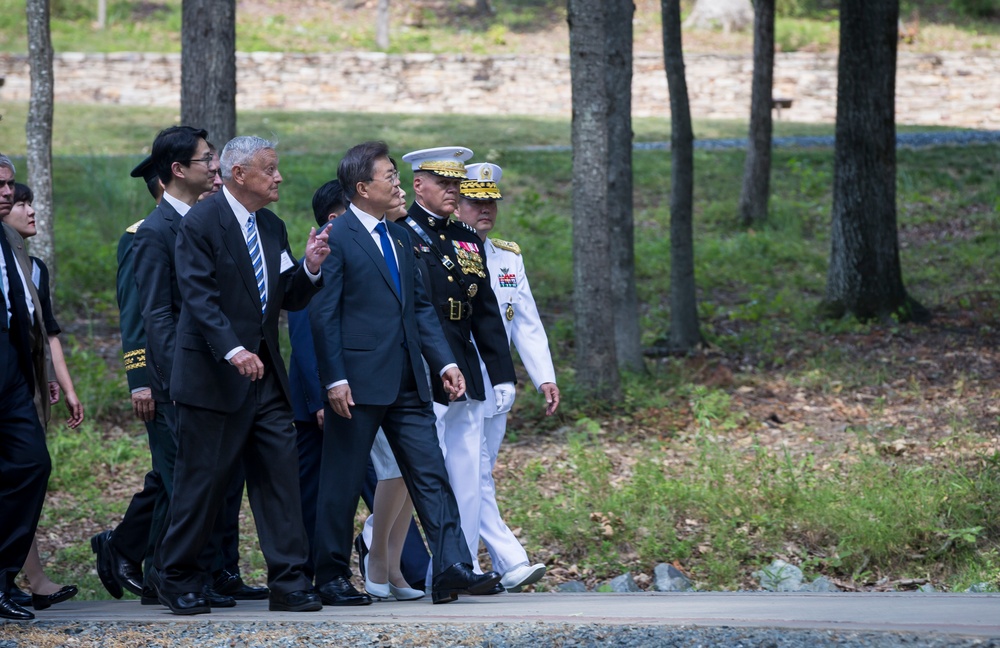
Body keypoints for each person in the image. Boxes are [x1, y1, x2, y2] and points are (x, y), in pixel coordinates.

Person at [308, 140, 501, 606]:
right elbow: (323, 315)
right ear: (362, 187)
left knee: (430, 473)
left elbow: (420, 310)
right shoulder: (338, 237)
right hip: (356, 384)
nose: (396, 183)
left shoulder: (400, 236)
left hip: (408, 381)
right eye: (388, 176)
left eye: (396, 175)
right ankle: (330, 576)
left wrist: (446, 363)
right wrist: (334, 379)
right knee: (342, 480)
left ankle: (453, 565)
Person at [155, 135, 328, 615]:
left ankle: (290, 582)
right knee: (201, 484)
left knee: (279, 478)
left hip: (266, 380)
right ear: (238, 174)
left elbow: (286, 294)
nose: (278, 177)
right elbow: (197, 296)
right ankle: (177, 577)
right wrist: (232, 350)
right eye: (269, 169)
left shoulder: (271, 226)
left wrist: (310, 269)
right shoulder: (201, 224)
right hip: (212, 377)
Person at [132, 126, 264, 606]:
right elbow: (156, 315)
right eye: (207, 159)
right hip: (184, 380)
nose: (215, 167)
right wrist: (164, 381)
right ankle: (168, 576)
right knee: (189, 483)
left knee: (224, 480)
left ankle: (216, 570)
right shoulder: (153, 232)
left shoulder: (214, 220)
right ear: (178, 170)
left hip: (226, 372)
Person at [398, 147, 517, 585]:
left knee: (468, 472)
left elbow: (485, 312)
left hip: (464, 365)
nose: (453, 191)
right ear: (419, 185)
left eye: (456, 184)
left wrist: (502, 373)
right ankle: (379, 546)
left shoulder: (466, 240)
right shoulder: (399, 233)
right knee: (415, 475)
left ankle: (460, 564)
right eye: (444, 183)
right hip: (420, 366)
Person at [455, 162, 560, 591]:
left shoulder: (506, 256)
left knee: (475, 472)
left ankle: (381, 543)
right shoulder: (446, 252)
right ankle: (508, 560)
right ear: (456, 203)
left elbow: (526, 322)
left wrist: (543, 377)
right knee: (472, 473)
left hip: (497, 382)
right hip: (457, 378)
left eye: (490, 202)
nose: (485, 210)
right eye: (476, 202)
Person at [1, 182, 83, 610]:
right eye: (20, 203)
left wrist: (60, 383)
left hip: (21, 384)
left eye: (27, 200)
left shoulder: (33, 267)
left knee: (27, 471)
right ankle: (25, 579)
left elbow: (45, 331)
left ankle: (22, 578)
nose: (28, 210)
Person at [0, 153, 53, 621]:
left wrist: (42, 376)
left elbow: (32, 318)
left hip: (12, 373)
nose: (7, 193)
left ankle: (3, 578)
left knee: (32, 464)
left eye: (9, 184)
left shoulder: (9, 242)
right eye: (0, 185)